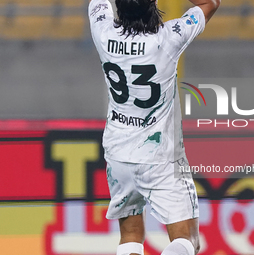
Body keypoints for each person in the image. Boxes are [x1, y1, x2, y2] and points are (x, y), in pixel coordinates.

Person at [88, 0, 220, 254]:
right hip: (160, 158)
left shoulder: (101, 32)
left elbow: (97, 4)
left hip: (118, 155)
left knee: (130, 236)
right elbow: (210, 3)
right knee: (187, 240)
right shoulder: (170, 38)